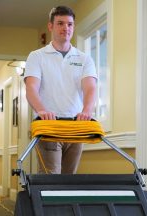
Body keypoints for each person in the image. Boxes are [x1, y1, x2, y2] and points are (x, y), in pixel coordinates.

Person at [24, 6, 97, 174]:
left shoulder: (84, 59)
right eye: (60, 23)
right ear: (50, 26)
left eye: (70, 24)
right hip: (50, 127)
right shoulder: (37, 56)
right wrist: (42, 110)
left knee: (69, 181)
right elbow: (31, 88)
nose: (66, 28)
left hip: (76, 129)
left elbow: (90, 88)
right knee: (51, 180)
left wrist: (86, 111)